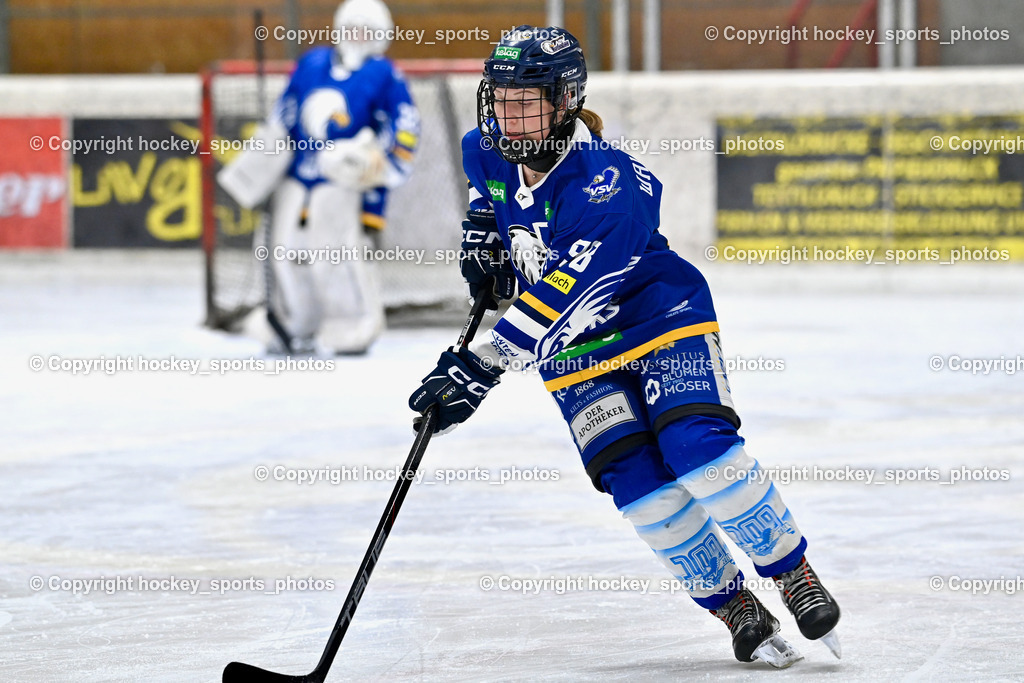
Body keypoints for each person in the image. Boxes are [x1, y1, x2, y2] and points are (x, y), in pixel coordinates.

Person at [408, 26, 841, 668]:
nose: (511, 117)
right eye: (502, 99)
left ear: (565, 100)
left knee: (696, 449)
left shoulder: (614, 186)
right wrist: (482, 233)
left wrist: (477, 368)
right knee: (635, 479)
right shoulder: (484, 149)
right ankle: (734, 607)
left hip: (659, 319)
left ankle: (792, 572)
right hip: (575, 354)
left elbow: (564, 298)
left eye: (529, 102)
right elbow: (486, 189)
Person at [219, 0, 419, 355]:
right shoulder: (311, 64)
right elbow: (283, 115)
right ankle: (290, 323)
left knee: (334, 254)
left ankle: (351, 325)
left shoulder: (384, 74)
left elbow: (405, 127)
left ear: (381, 36)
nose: (358, 35)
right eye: (352, 26)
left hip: (341, 184)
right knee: (284, 250)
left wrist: (379, 165)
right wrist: (259, 164)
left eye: (367, 29)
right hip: (297, 177)